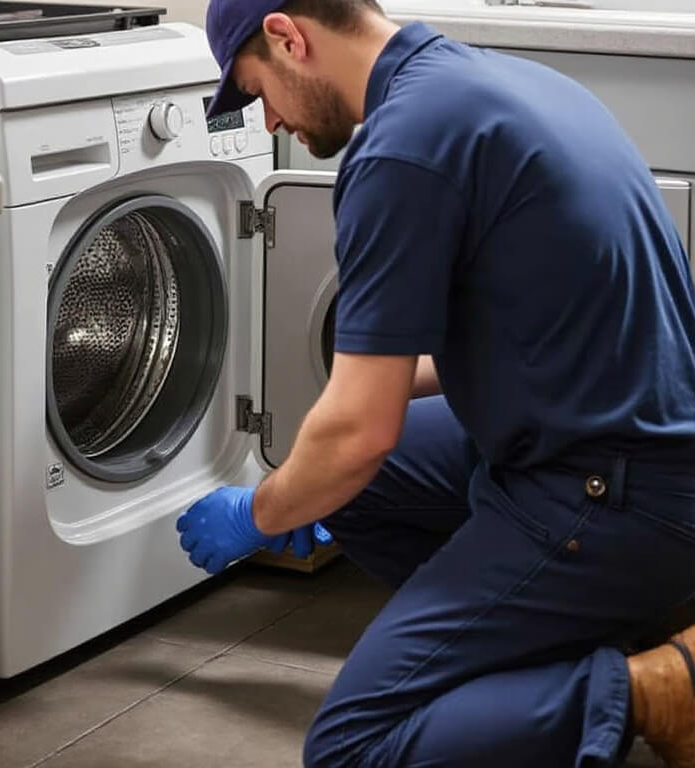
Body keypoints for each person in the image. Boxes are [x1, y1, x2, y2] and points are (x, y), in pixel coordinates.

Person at [174, 1, 695, 766]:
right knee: (349, 484)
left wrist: (258, 511)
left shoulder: (400, 153)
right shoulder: (495, 83)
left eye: (258, 94)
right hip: (641, 436)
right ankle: (547, 648)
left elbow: (359, 431)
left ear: (289, 37)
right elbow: (466, 347)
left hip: (615, 489)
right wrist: (314, 480)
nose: (271, 125)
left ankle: (658, 687)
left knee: (354, 747)